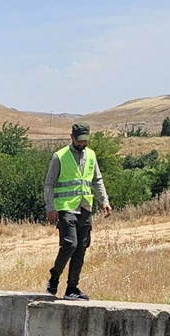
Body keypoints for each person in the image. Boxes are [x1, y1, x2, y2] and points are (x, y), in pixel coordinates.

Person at [44, 124, 111, 300]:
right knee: (70, 244)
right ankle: (54, 277)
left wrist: (104, 201)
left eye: (85, 141)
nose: (82, 143)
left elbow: (97, 180)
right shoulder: (59, 156)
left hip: (85, 207)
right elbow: (49, 184)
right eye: (79, 140)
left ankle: (72, 288)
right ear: (72, 137)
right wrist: (51, 208)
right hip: (65, 207)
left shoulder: (91, 155)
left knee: (81, 248)